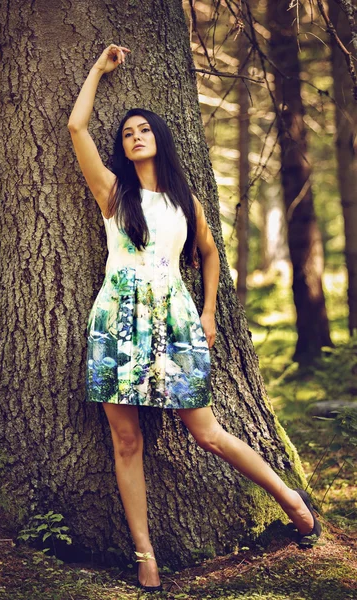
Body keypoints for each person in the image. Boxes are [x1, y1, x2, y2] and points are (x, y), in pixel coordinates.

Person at [68, 43, 321, 593]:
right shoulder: (113, 193)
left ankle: (291, 499)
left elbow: (209, 254)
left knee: (206, 431)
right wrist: (98, 69)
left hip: (177, 321)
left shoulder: (186, 202)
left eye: (144, 130)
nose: (135, 137)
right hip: (117, 322)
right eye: (128, 133)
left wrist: (207, 312)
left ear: (159, 137)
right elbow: (75, 127)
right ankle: (145, 555)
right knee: (126, 440)